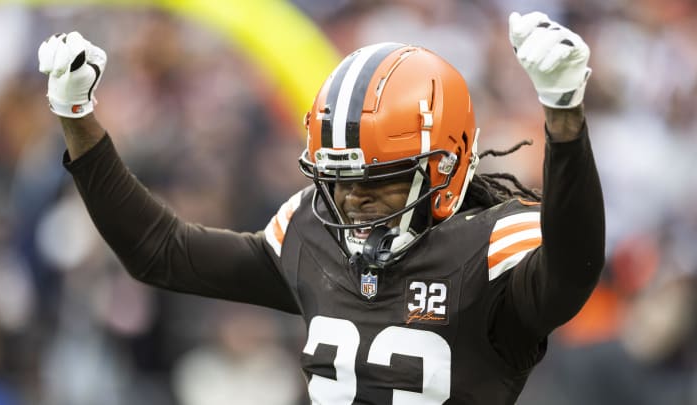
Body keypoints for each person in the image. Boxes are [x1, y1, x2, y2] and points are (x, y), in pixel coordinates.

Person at [37, 11, 605, 405]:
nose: (352, 201)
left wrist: (563, 116)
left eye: (376, 181)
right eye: (337, 181)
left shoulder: (490, 250)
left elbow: (573, 267)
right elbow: (160, 254)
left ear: (445, 169)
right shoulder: (312, 233)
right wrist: (76, 115)